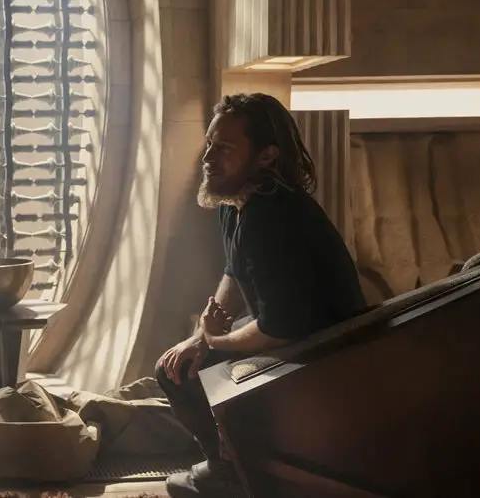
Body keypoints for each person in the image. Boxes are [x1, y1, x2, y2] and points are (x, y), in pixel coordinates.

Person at [155, 92, 367, 498]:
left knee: (184, 374)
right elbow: (235, 274)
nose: (208, 157)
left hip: (327, 356)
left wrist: (215, 340)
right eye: (210, 144)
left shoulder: (272, 215)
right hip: (293, 336)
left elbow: (281, 328)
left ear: (266, 156)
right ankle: (228, 468)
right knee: (178, 364)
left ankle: (235, 479)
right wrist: (199, 338)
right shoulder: (236, 201)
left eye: (225, 148)